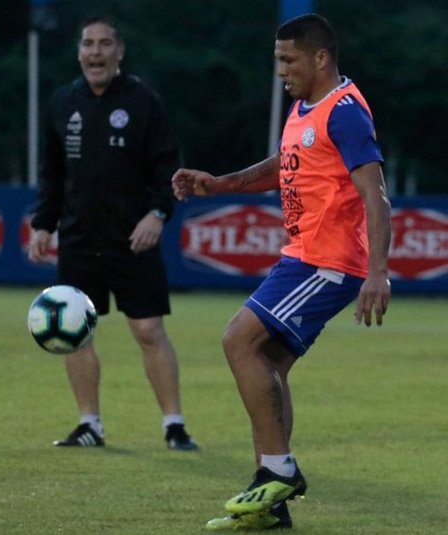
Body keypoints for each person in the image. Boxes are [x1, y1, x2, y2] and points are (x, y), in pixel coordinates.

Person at [172, 13, 391, 530]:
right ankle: (272, 507)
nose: (281, 70)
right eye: (277, 60)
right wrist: (220, 184)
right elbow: (283, 164)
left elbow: (375, 194)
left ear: (320, 57)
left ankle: (279, 470)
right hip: (304, 255)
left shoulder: (345, 113)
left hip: (328, 260)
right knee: (267, 361)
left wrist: (379, 271)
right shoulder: (304, 108)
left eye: (288, 59)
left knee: (237, 340)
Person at [28, 15, 198, 451]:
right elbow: (51, 173)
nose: (96, 52)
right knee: (74, 331)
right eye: (88, 44)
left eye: (105, 44)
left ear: (119, 51)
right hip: (80, 238)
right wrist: (44, 224)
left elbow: (167, 168)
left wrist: (158, 214)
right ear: (79, 51)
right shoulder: (62, 102)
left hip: (132, 238)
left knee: (148, 330)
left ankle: (174, 425)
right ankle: (89, 425)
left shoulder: (144, 101)